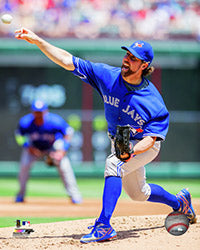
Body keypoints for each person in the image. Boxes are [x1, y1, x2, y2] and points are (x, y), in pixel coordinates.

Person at [15, 28, 196, 243]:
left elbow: (151, 139)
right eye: (127, 54)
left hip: (143, 145)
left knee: (113, 164)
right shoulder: (108, 76)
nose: (127, 59)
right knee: (138, 193)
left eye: (133, 58)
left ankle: (104, 226)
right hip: (119, 141)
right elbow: (67, 60)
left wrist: (131, 151)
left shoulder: (152, 101)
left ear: (144, 66)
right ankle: (179, 204)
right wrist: (38, 41)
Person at [15, 99, 82, 204]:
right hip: (34, 148)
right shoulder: (25, 122)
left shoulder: (54, 121)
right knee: (24, 166)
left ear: (46, 111)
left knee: (65, 167)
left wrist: (62, 150)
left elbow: (69, 132)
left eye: (40, 112)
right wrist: (28, 147)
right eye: (36, 112)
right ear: (32, 112)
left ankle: (75, 196)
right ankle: (20, 195)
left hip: (52, 148)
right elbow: (19, 135)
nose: (38, 114)